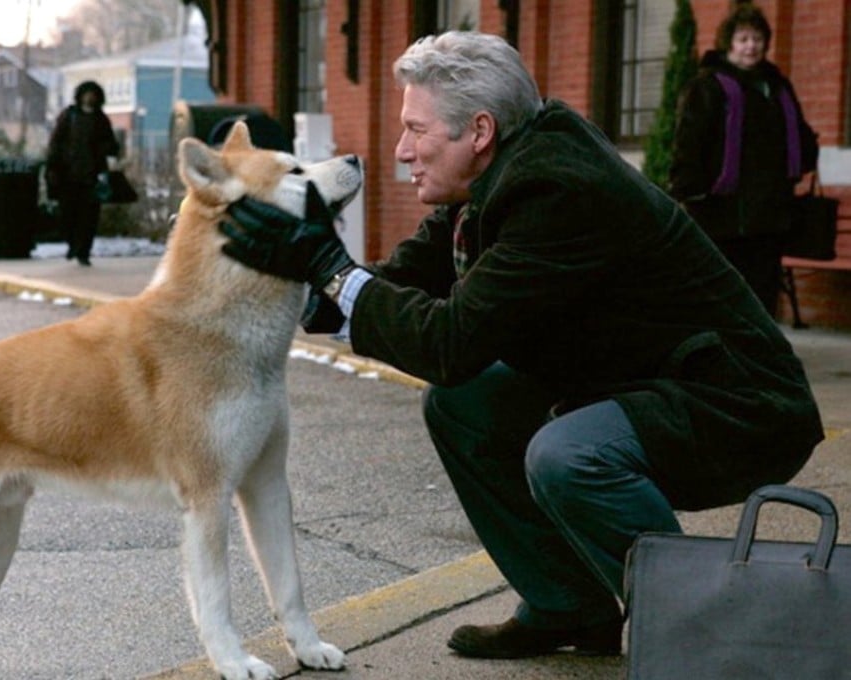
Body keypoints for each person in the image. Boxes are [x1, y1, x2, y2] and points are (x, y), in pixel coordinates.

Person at [218, 31, 823, 661]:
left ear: (478, 130)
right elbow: (407, 276)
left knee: (567, 456)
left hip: (737, 404)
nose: (401, 151)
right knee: (462, 403)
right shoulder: (499, 171)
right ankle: (570, 605)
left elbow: (450, 340)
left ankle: (698, 630)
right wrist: (304, 284)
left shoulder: (558, 191)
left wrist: (331, 268)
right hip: (649, 382)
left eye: (416, 130)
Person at [669, 3, 818, 316]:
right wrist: (690, 191)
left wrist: (806, 156)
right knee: (725, 297)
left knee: (762, 298)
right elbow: (689, 144)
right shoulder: (708, 87)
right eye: (743, 39)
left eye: (757, 39)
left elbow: (801, 137)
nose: (751, 46)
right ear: (729, 44)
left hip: (771, 215)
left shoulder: (776, 87)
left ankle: (760, 358)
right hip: (723, 216)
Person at [45, 80, 120, 266]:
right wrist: (52, 167)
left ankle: (83, 251)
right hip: (67, 175)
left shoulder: (101, 119)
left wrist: (104, 151)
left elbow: (112, 145)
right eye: (86, 94)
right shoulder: (69, 116)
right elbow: (56, 142)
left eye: (93, 94)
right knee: (67, 214)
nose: (89, 97)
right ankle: (72, 244)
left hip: (92, 177)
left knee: (89, 217)